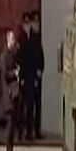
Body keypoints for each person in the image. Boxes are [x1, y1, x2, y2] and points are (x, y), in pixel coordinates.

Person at [0, 30, 21, 151]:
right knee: (9, 126)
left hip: (15, 94)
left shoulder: (14, 55)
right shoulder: (4, 56)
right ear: (8, 40)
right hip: (8, 96)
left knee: (13, 127)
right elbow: (4, 74)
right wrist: (14, 72)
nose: (14, 41)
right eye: (12, 39)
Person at [17, 12, 35, 142]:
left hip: (31, 75)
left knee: (30, 105)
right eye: (26, 24)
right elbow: (19, 58)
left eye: (29, 24)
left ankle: (29, 131)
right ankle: (20, 131)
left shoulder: (34, 37)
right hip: (23, 76)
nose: (27, 26)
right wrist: (20, 76)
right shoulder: (20, 38)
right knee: (20, 106)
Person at [31, 10, 44, 140]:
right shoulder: (29, 39)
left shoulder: (39, 37)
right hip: (30, 76)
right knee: (29, 104)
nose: (36, 25)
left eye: (37, 22)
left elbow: (41, 57)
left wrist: (41, 69)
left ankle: (37, 129)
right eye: (34, 23)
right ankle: (29, 130)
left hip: (37, 76)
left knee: (38, 104)